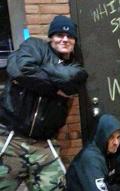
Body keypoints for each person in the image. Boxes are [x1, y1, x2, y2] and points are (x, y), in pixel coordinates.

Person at [0, 15, 88, 190]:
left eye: (70, 36)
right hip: (11, 137)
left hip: (44, 142)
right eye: (59, 35)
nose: (65, 39)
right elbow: (20, 70)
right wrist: (55, 89)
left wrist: (37, 70)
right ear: (51, 37)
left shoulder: (76, 67)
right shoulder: (34, 46)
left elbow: (71, 81)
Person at [66, 114, 120, 191]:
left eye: (118, 137)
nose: (116, 142)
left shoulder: (113, 151)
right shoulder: (90, 159)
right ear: (103, 137)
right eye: (111, 137)